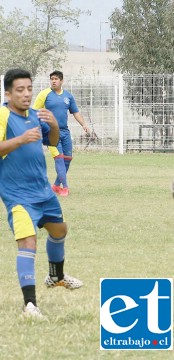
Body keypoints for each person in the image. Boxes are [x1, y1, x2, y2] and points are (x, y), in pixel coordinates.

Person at [1, 69, 83, 318]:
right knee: (28, 242)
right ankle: (30, 305)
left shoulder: (36, 115)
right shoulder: (3, 115)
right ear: (8, 93)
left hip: (43, 192)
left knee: (60, 231)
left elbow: (51, 141)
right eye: (20, 90)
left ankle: (55, 276)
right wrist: (21, 139)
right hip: (18, 195)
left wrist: (54, 125)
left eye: (29, 89)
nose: (26, 94)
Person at [33, 70, 90, 197]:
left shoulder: (68, 96)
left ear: (61, 81)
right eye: (51, 79)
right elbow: (34, 112)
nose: (53, 81)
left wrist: (84, 124)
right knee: (59, 158)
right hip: (51, 133)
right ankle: (65, 188)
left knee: (67, 159)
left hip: (65, 132)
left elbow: (75, 112)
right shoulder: (44, 94)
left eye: (56, 79)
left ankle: (55, 185)